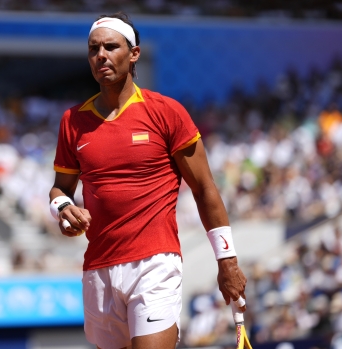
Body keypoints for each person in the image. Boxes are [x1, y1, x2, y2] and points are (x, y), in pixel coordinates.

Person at [49, 12, 247, 349]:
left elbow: (204, 189)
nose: (101, 56)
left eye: (111, 47)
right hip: (98, 267)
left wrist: (227, 263)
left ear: (134, 53)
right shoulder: (73, 121)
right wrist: (63, 209)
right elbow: (60, 189)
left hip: (155, 263)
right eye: (94, 48)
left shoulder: (167, 112)